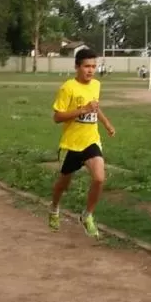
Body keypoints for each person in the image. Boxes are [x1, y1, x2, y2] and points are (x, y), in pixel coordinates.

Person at [48, 48, 115, 238]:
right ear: (77, 67)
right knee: (63, 185)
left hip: (91, 141)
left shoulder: (96, 85)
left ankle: (87, 215)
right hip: (71, 145)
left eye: (94, 66)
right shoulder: (68, 87)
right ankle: (54, 208)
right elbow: (57, 117)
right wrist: (82, 110)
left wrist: (107, 124)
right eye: (87, 66)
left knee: (99, 178)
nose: (91, 70)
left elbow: (95, 107)